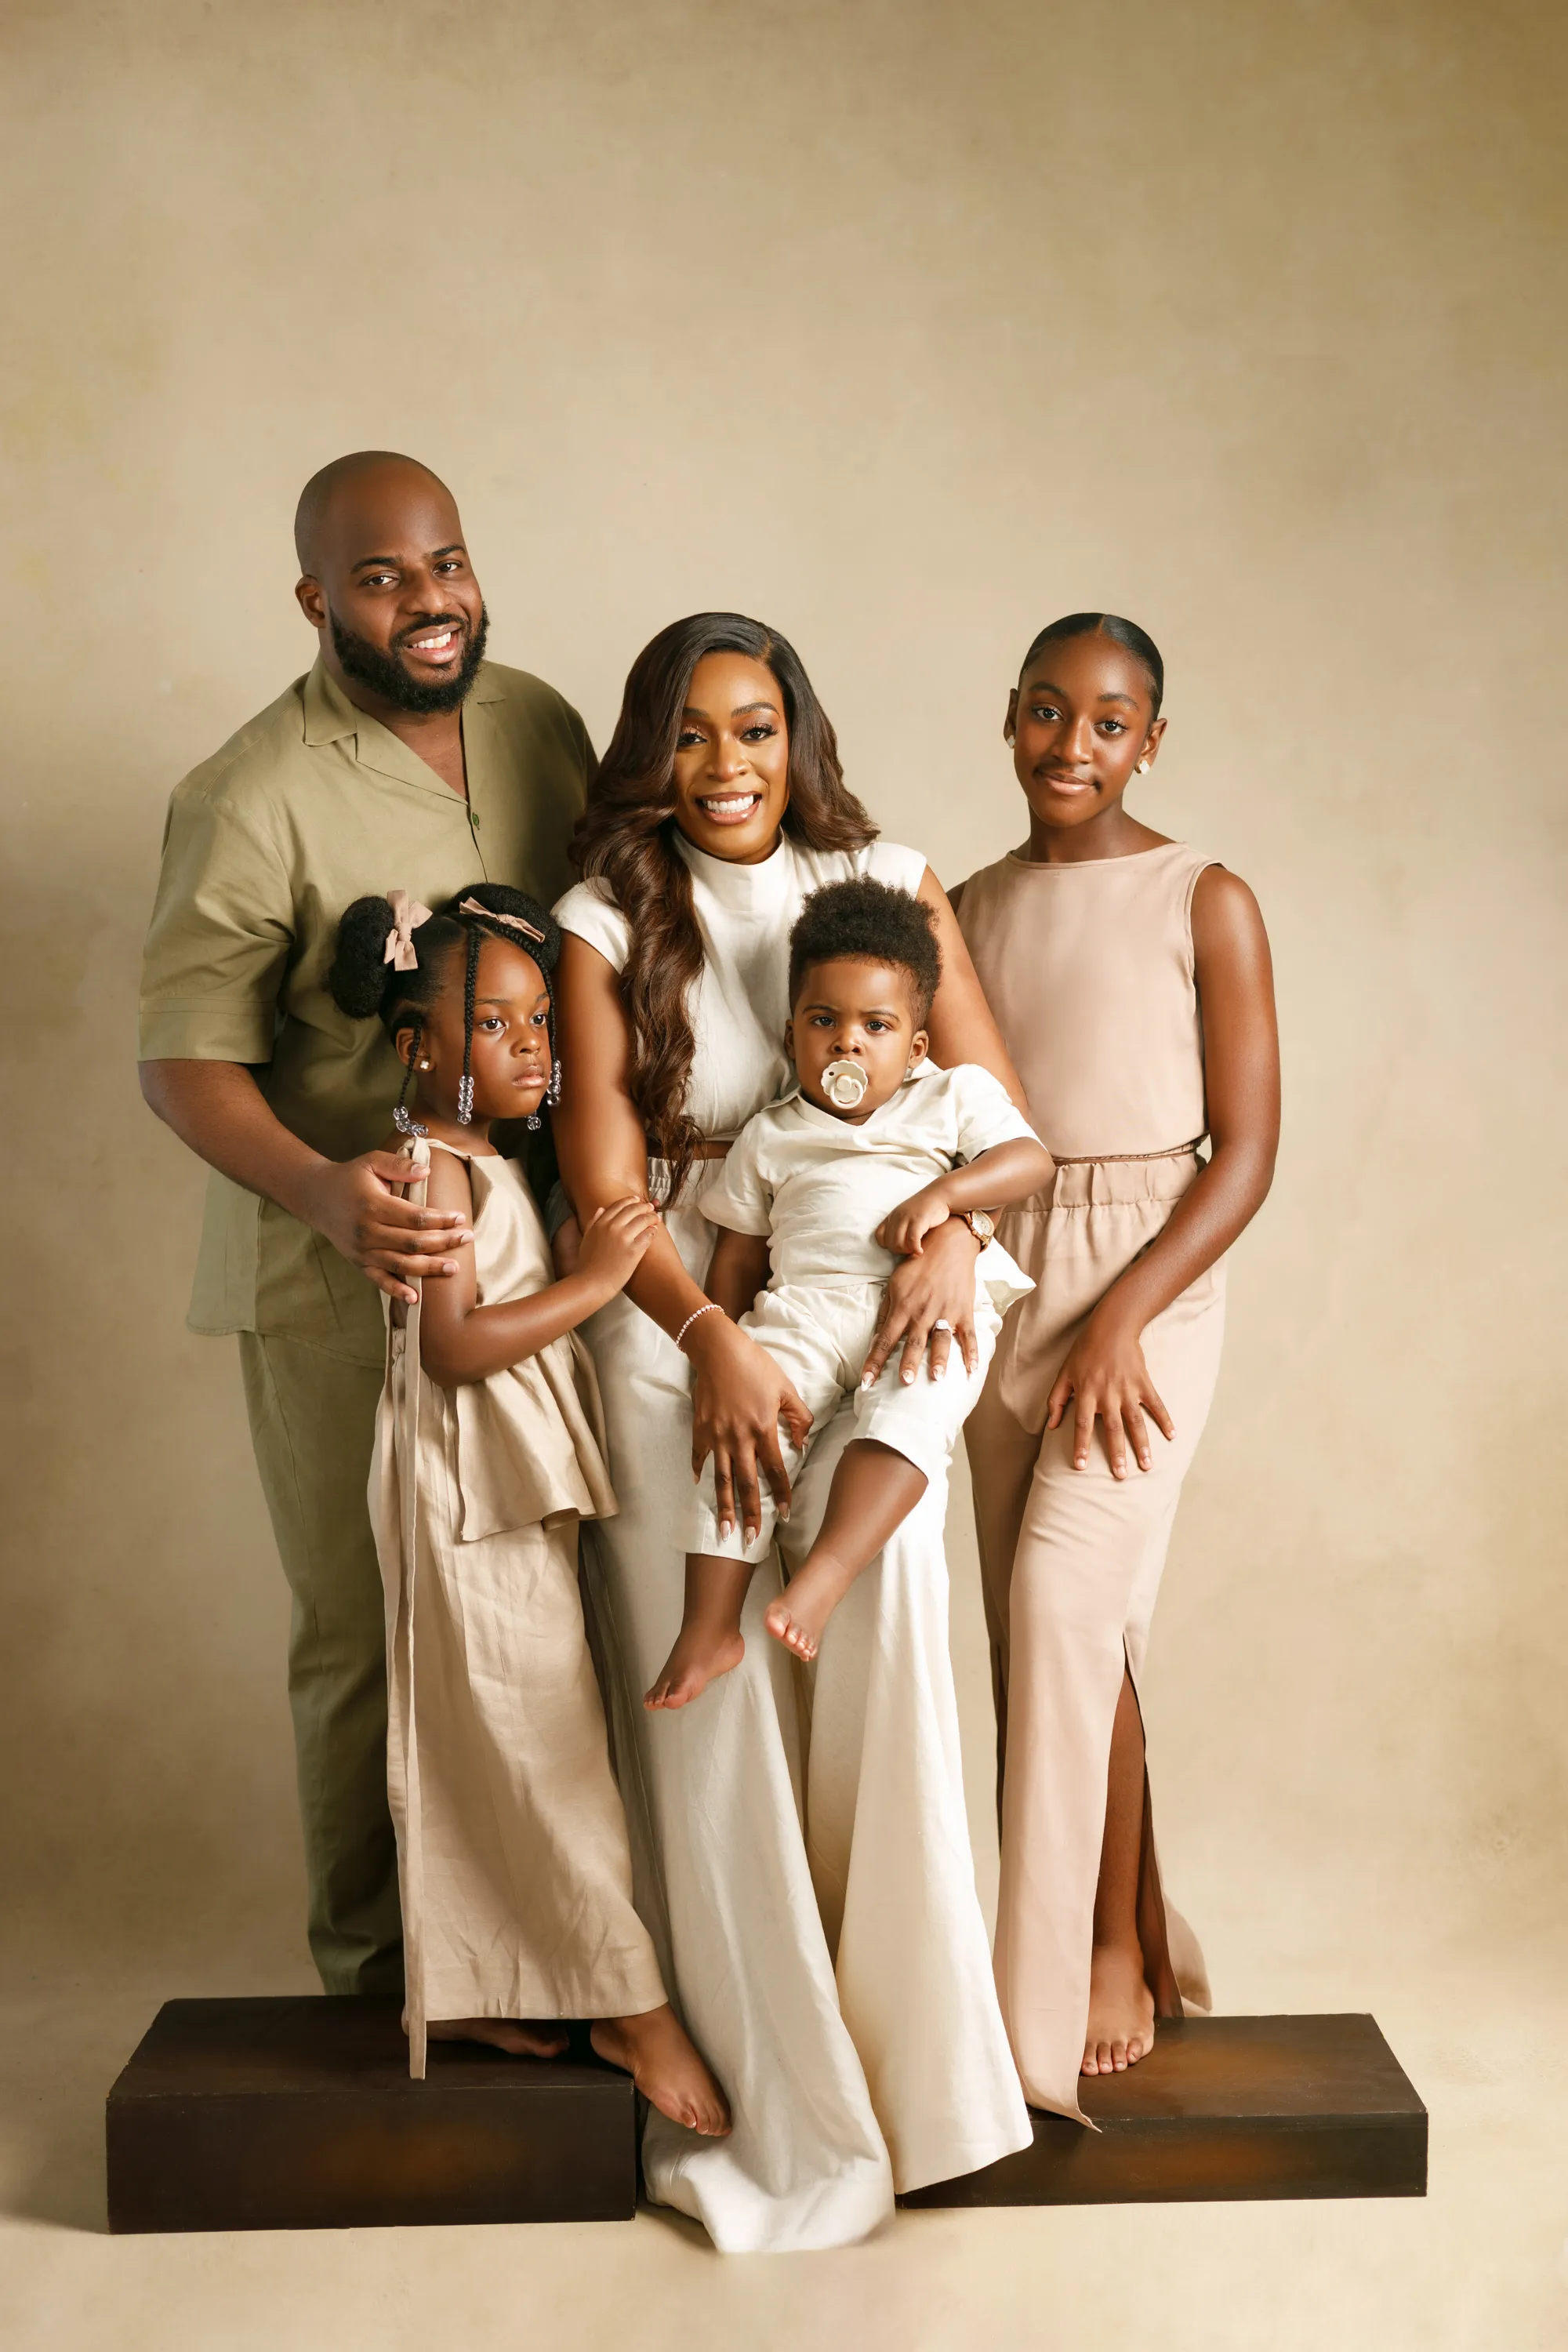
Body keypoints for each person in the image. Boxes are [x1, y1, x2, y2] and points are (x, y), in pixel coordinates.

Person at [550, 612, 1036, 2254]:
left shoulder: (887, 880)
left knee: (879, 1589)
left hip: (881, 1284)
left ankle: (922, 2084)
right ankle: (785, 2087)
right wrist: (708, 1342)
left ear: (798, 738)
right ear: (650, 753)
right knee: (715, 1657)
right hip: (676, 1298)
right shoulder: (604, 915)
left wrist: (957, 1237)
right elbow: (603, 1186)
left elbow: (989, 1114)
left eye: (754, 728)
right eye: (689, 733)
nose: (725, 764)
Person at [137, 452, 591, 1997]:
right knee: (369, 1624)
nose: (428, 601)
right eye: (383, 578)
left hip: (523, 1246)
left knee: (528, 1610)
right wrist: (326, 1192)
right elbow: (183, 1064)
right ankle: (381, 1974)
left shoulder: (537, 724)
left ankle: (529, 1948)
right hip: (335, 1268)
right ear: (315, 599)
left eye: (446, 563)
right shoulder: (248, 795)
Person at [326, 880, 729, 2131]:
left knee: (499, 1738)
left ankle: (470, 1984)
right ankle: (630, 2005)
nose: (531, 1047)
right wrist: (598, 1279)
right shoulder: (428, 1171)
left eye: (541, 1022)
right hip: (464, 1495)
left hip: (497, 1486)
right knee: (536, 1743)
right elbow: (452, 1347)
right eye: (494, 1024)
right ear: (417, 1048)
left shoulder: (484, 1163)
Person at [953, 612, 1279, 2119]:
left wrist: (1123, 1316)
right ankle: (1133, 1931)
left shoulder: (1205, 898)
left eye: (1106, 720)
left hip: (1149, 1276)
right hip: (1003, 1277)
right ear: (1009, 719)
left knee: (1064, 1604)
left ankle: (1081, 1962)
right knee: (1051, 1642)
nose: (1070, 744)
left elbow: (1247, 1152)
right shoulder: (965, 909)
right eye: (1045, 710)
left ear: (1151, 739)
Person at [645, 878, 1051, 1705]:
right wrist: (722, 1355)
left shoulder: (951, 1097)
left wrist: (946, 1198)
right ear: (790, 1032)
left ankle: (826, 1575)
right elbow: (738, 1257)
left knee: (911, 1413)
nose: (847, 1045)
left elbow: (1028, 1161)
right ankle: (708, 1625)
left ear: (917, 1045)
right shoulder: (770, 1133)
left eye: (876, 1027)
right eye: (823, 1021)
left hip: (925, 1312)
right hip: (803, 1310)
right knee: (744, 1438)